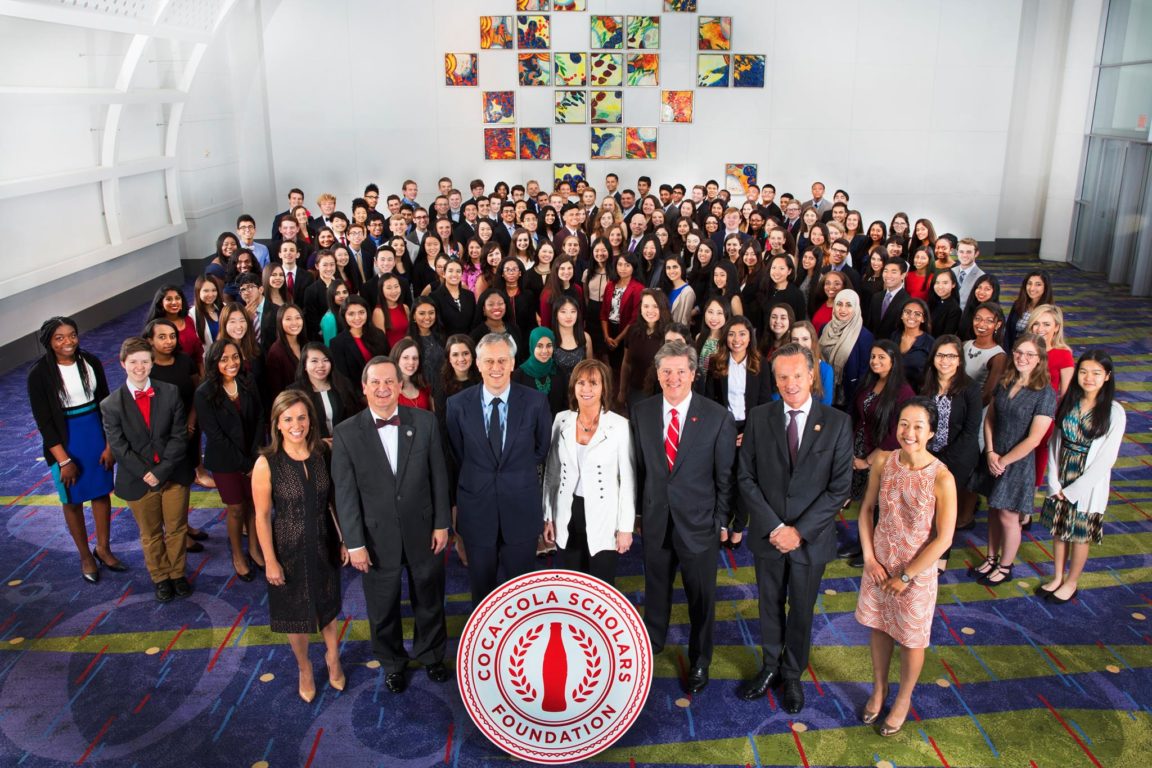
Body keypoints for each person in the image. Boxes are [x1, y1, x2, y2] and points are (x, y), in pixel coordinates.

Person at [736, 342, 853, 713]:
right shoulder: (759, 417)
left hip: (810, 539)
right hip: (769, 534)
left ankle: (793, 674)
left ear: (812, 374)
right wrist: (774, 527)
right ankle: (770, 667)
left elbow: (839, 489)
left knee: (801, 608)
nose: (790, 383)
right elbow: (746, 476)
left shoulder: (837, 422)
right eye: (783, 377)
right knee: (769, 605)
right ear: (775, 378)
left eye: (797, 375)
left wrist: (798, 531)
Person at [332, 357, 451, 694]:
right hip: (375, 536)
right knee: (382, 607)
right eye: (376, 383)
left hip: (424, 530)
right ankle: (392, 663)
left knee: (428, 598)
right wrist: (354, 543)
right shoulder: (345, 433)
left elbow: (438, 477)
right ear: (364, 387)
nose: (383, 389)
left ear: (400, 386)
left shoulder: (425, 422)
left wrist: (442, 523)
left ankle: (430, 655)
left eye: (389, 382)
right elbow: (346, 493)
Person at [631, 340, 736, 695]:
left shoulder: (717, 416)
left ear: (693, 373)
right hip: (657, 519)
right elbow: (640, 469)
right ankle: (653, 642)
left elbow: (725, 476)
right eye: (666, 371)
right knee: (656, 587)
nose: (673, 378)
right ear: (657, 375)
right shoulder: (641, 412)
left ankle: (700, 657)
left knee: (701, 597)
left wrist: (722, 521)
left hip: (700, 524)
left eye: (680, 371)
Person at [855, 398, 957, 736]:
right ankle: (880, 688)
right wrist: (870, 559)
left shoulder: (942, 477)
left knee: (912, 640)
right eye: (903, 424)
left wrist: (907, 575)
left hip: (916, 571)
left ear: (930, 432)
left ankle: (903, 697)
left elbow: (943, 539)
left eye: (917, 426)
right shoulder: (883, 461)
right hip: (880, 564)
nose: (908, 432)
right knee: (880, 627)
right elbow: (867, 510)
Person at [253, 390, 349, 702]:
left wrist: (344, 540)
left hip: (324, 542)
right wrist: (270, 560)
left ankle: (333, 658)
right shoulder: (267, 463)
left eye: (302, 417)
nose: (297, 425)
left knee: (329, 606)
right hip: (288, 548)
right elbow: (263, 517)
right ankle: (305, 667)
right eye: (289, 419)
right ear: (277, 424)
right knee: (295, 613)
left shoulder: (323, 453)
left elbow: (334, 503)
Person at [445, 333, 552, 603]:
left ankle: (522, 643)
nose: (496, 367)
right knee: (482, 592)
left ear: (513, 363)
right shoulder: (456, 405)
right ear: (478, 364)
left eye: (502, 360)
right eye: (489, 361)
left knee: (523, 591)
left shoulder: (535, 402)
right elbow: (458, 453)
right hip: (477, 511)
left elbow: (541, 449)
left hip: (521, 509)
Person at [28, 317, 121, 583]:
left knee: (101, 493)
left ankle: (103, 548)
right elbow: (45, 423)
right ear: (49, 342)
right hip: (65, 443)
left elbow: (105, 404)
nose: (68, 342)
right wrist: (64, 461)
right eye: (60, 338)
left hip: (95, 433)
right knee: (72, 499)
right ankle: (85, 555)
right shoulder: (39, 374)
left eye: (72, 335)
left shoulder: (90, 362)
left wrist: (108, 444)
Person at [101, 337, 192, 602]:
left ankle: (177, 573)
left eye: (144, 361)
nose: (139, 367)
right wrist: (147, 473)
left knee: (176, 528)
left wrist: (161, 470)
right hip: (138, 479)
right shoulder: (110, 404)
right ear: (122, 364)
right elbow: (119, 448)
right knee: (150, 533)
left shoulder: (170, 392)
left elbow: (179, 436)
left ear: (152, 363)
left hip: (172, 473)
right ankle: (160, 577)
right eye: (133, 362)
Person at [968, 334, 1056, 586]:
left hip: (1017, 461)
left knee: (1008, 516)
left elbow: (1034, 439)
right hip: (995, 454)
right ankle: (991, 557)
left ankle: (1005, 566)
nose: (1022, 358)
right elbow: (990, 419)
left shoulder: (1045, 394)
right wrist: (991, 452)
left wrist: (1004, 460)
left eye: (1029, 354)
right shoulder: (1007, 381)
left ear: (1039, 359)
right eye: (1019, 352)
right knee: (994, 510)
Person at [1039, 350, 1126, 604]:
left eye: (1096, 373)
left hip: (1087, 483)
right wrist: (1054, 481)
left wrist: (1074, 490)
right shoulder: (1069, 401)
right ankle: (1057, 576)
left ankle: (1072, 581)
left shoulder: (1114, 412)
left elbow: (1106, 460)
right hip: (1063, 472)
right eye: (1084, 371)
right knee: (1059, 529)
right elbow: (1055, 442)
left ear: (1107, 377)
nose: (1089, 378)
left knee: (1079, 533)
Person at [542, 360, 635, 585]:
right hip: (567, 511)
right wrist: (548, 516)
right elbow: (552, 473)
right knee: (570, 583)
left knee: (600, 586)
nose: (586, 389)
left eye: (593, 383)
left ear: (604, 388)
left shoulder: (620, 426)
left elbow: (628, 482)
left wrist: (625, 528)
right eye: (580, 383)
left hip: (604, 515)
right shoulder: (561, 420)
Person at [195, 338, 265, 581]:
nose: (231, 362)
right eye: (224, 359)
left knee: (255, 506)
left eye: (235, 357)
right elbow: (215, 436)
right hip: (226, 462)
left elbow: (259, 419)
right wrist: (243, 463)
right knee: (236, 509)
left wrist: (255, 455)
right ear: (214, 362)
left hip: (253, 456)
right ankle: (237, 554)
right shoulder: (204, 393)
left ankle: (255, 549)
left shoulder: (248, 381)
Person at [921, 335, 983, 550]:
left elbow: (970, 431)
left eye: (951, 356)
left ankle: (941, 554)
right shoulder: (925, 384)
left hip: (958, 458)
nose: (945, 361)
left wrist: (944, 461)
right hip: (926, 454)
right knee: (924, 504)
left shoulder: (971, 389)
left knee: (944, 508)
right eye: (940, 355)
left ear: (959, 360)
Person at [291, 342, 361, 443]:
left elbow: (355, 417)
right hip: (312, 447)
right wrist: (319, 443)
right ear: (305, 365)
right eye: (314, 361)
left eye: (325, 360)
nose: (321, 365)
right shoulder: (295, 392)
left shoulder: (344, 384)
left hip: (345, 443)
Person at [819, 289, 874, 408]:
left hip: (846, 398)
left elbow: (863, 374)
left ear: (856, 308)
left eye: (849, 305)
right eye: (839, 304)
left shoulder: (864, 336)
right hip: (821, 391)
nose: (843, 309)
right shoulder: (824, 329)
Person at [512, 327, 568, 416]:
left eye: (549, 345)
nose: (545, 351)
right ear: (532, 346)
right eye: (539, 346)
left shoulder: (559, 372)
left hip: (555, 427)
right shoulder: (518, 376)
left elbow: (566, 405)